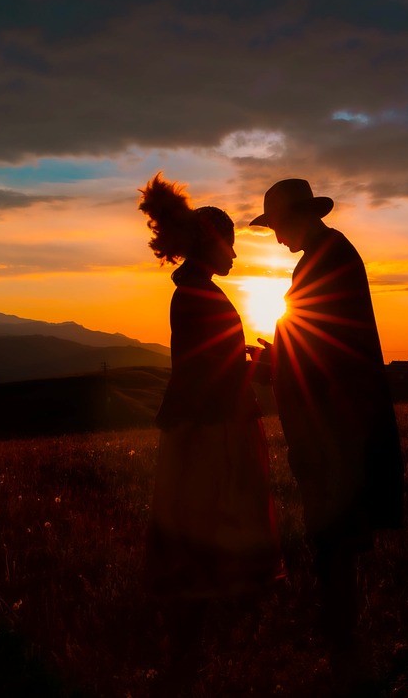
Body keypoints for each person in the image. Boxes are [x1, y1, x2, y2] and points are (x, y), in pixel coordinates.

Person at [250, 178, 404, 682]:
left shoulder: (325, 259)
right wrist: (275, 356)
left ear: (296, 218)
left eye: (276, 227)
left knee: (332, 531)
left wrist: (271, 361)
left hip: (334, 425)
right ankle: (340, 636)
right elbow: (313, 338)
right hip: (337, 419)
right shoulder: (329, 254)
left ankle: (341, 642)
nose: (275, 239)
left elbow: (316, 343)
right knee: (334, 531)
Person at [137, 173, 284, 688]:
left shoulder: (196, 292)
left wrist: (242, 357)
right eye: (233, 246)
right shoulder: (201, 295)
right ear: (212, 243)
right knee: (203, 534)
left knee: (196, 533)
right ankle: (188, 651)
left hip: (199, 428)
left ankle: (190, 649)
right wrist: (261, 366)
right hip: (210, 433)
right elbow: (209, 372)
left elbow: (205, 361)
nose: (237, 257)